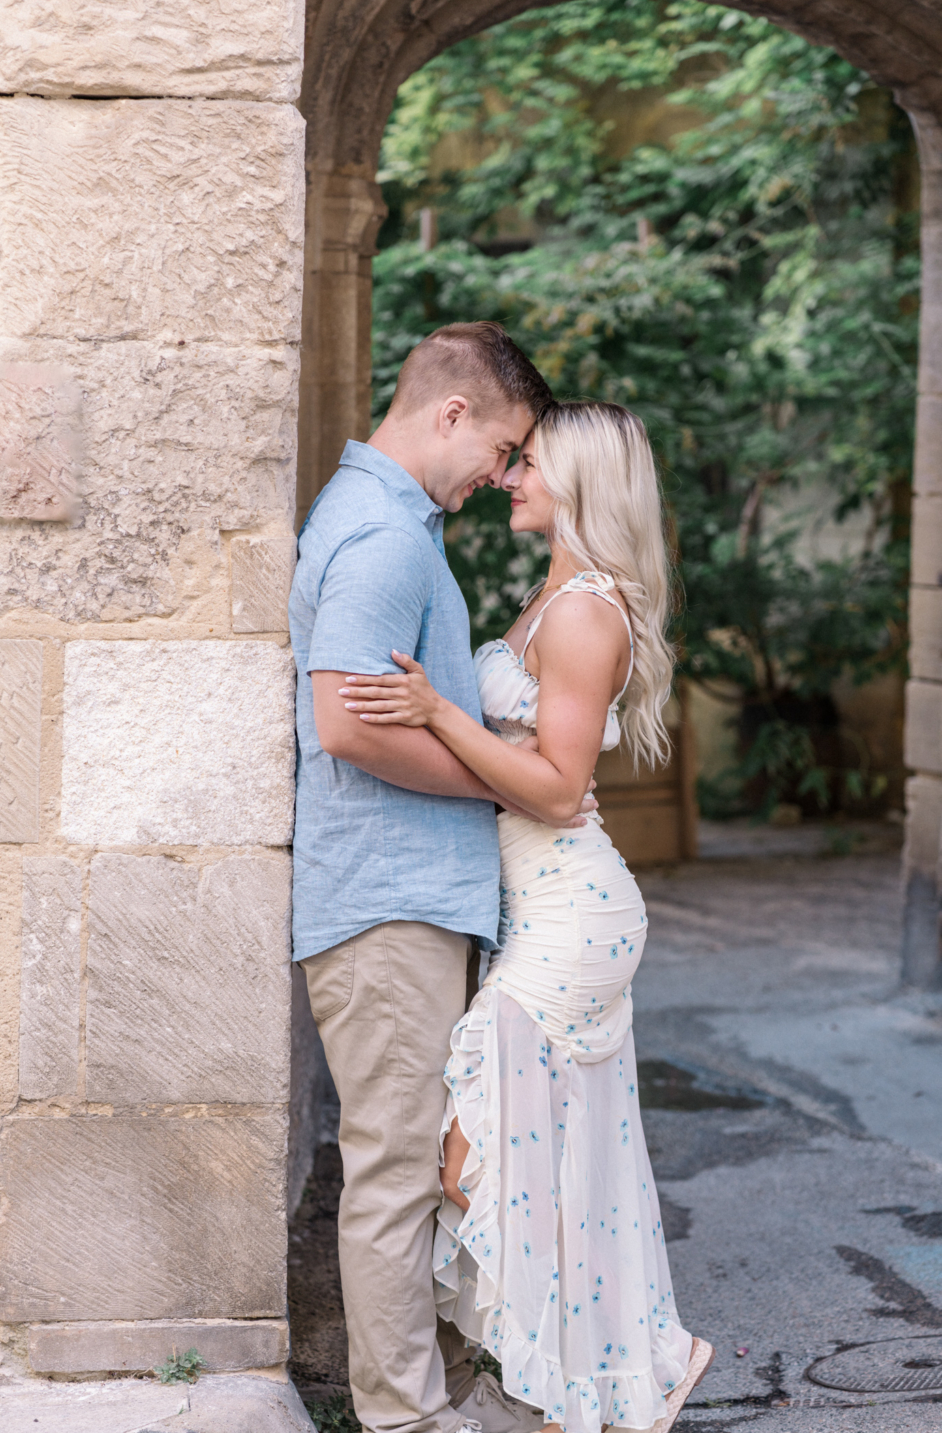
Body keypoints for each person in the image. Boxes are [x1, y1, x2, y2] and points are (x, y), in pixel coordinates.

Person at [336, 400, 715, 1433]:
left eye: (530, 463)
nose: (509, 478)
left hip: (568, 913)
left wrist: (440, 712)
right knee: (549, 1164)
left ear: (582, 482)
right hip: (540, 907)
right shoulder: (554, 597)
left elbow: (555, 789)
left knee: (474, 1160)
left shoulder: (586, 609)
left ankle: (594, 1376)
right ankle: (592, 1385)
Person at [290, 323, 582, 1433]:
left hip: (409, 900)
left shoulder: (386, 523)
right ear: (452, 414)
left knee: (429, 1169)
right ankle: (406, 1419)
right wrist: (500, 788)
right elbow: (345, 727)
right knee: (398, 1174)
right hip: (386, 905)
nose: (500, 476)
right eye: (502, 449)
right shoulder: (381, 537)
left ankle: (443, 1394)